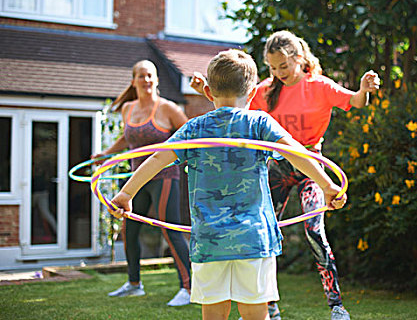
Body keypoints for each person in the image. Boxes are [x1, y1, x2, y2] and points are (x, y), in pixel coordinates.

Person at [108, 49, 347, 320]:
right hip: (252, 238)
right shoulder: (259, 123)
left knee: (214, 313)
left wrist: (127, 192)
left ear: (208, 92)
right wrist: (327, 185)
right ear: (253, 93)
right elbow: (297, 153)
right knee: (255, 312)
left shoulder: (194, 129)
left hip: (210, 240)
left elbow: (157, 158)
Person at [191, 31, 380, 320]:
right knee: (261, 233)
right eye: (272, 68)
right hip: (278, 168)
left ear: (300, 59)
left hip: (308, 167)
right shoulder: (266, 90)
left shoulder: (319, 86)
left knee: (315, 231)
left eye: (283, 67)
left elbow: (355, 101)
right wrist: (209, 88)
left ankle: (336, 305)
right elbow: (231, 107)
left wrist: (364, 89)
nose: (278, 74)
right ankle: (267, 306)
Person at [92, 60, 191, 306]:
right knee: (129, 230)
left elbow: (189, 134)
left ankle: (189, 287)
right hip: (137, 178)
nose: (146, 80)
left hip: (165, 177)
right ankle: (134, 284)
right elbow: (127, 140)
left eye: (150, 76)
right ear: (134, 80)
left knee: (170, 229)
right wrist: (106, 155)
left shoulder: (168, 108)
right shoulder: (128, 109)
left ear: (156, 80)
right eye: (141, 76)